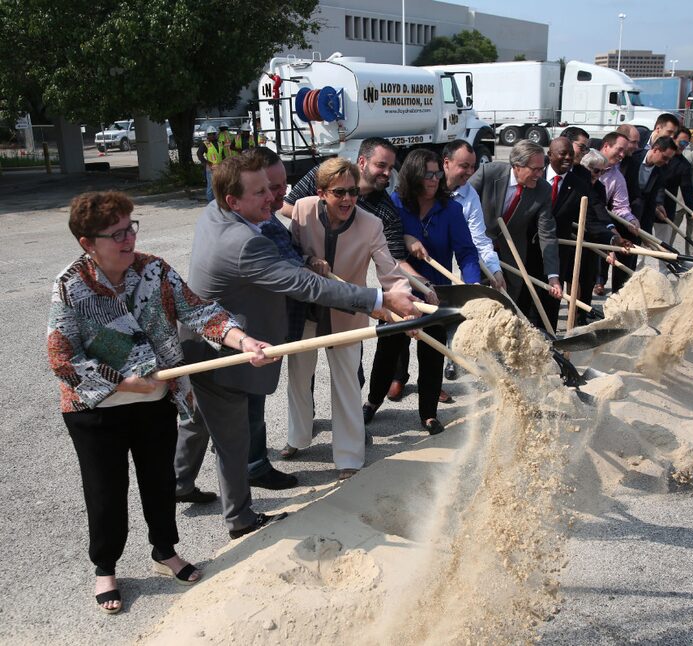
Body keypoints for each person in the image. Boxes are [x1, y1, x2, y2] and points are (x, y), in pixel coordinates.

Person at [47, 191, 271, 614]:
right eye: (116, 233)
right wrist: (122, 382)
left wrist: (243, 340)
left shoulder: (154, 271)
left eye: (131, 227)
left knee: (159, 480)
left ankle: (164, 550)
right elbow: (62, 358)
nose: (128, 239)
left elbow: (201, 312)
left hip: (154, 400)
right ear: (87, 243)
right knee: (105, 488)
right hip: (95, 409)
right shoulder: (70, 286)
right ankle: (106, 567)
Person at [174, 153, 418, 539]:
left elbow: (290, 251)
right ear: (232, 199)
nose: (273, 200)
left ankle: (180, 483)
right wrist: (378, 301)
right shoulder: (243, 242)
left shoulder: (216, 213)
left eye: (274, 189)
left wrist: (309, 258)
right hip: (225, 348)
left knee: (200, 419)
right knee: (233, 438)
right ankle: (240, 519)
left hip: (202, 341)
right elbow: (304, 285)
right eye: (260, 193)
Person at [285, 158, 410, 479]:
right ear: (321, 192)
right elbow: (286, 254)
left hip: (347, 314)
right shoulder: (302, 209)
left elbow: (390, 272)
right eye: (339, 192)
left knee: (345, 386)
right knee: (299, 377)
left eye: (353, 192)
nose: (348, 200)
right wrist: (307, 259)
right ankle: (298, 437)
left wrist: (402, 301)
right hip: (306, 311)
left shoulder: (370, 224)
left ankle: (349, 457)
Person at [364, 149, 479, 435]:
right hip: (399, 290)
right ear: (413, 174)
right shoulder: (395, 205)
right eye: (428, 173)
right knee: (388, 349)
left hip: (437, 294)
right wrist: (405, 236)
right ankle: (372, 401)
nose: (434, 179)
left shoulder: (451, 210)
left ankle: (428, 413)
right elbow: (385, 248)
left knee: (432, 353)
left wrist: (473, 285)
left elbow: (466, 253)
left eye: (437, 173)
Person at [243, 147, 307, 489]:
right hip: (254, 330)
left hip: (264, 325)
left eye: (284, 183)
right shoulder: (253, 229)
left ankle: (183, 477)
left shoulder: (265, 217)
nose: (282, 193)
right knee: (253, 397)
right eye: (273, 186)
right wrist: (371, 299)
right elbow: (293, 275)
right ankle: (254, 465)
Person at [469, 139, 556, 327]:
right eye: (535, 169)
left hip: (512, 254)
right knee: (477, 303)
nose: (540, 175)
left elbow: (546, 233)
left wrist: (553, 275)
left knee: (507, 309)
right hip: (479, 249)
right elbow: (461, 204)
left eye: (542, 169)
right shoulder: (488, 173)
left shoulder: (542, 190)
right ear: (517, 166)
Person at [541, 137, 625, 328]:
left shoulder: (579, 181)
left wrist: (611, 237)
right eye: (563, 154)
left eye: (571, 154)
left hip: (559, 247)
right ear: (550, 154)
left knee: (553, 296)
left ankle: (550, 337)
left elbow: (593, 213)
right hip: (529, 245)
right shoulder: (537, 173)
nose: (568, 158)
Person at [439, 140, 505, 380]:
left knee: (460, 305)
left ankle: (447, 362)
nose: (470, 172)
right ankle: (398, 377)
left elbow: (479, 239)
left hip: (461, 253)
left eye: (473, 167)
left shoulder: (469, 195)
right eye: (464, 166)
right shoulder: (429, 186)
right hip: (430, 254)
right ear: (446, 164)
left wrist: (494, 270)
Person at [595, 132, 639, 294]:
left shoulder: (617, 177)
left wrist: (631, 220)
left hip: (597, 222)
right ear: (606, 146)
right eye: (619, 150)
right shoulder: (585, 163)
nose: (622, 155)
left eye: (624, 151)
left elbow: (621, 207)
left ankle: (581, 316)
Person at [654, 127, 693, 265]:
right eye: (681, 143)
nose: (683, 147)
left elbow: (687, 189)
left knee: (664, 245)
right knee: (642, 244)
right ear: (673, 139)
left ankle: (663, 273)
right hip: (648, 204)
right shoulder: (658, 155)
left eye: (686, 144)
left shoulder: (684, 165)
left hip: (666, 209)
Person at [196, 125, 222, 202]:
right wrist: (206, 162)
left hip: (220, 167)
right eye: (211, 134)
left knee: (219, 185)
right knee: (211, 186)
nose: (213, 136)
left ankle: (217, 201)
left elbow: (222, 154)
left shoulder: (219, 143)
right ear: (208, 135)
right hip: (211, 168)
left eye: (214, 134)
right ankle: (210, 202)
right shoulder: (205, 144)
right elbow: (199, 154)